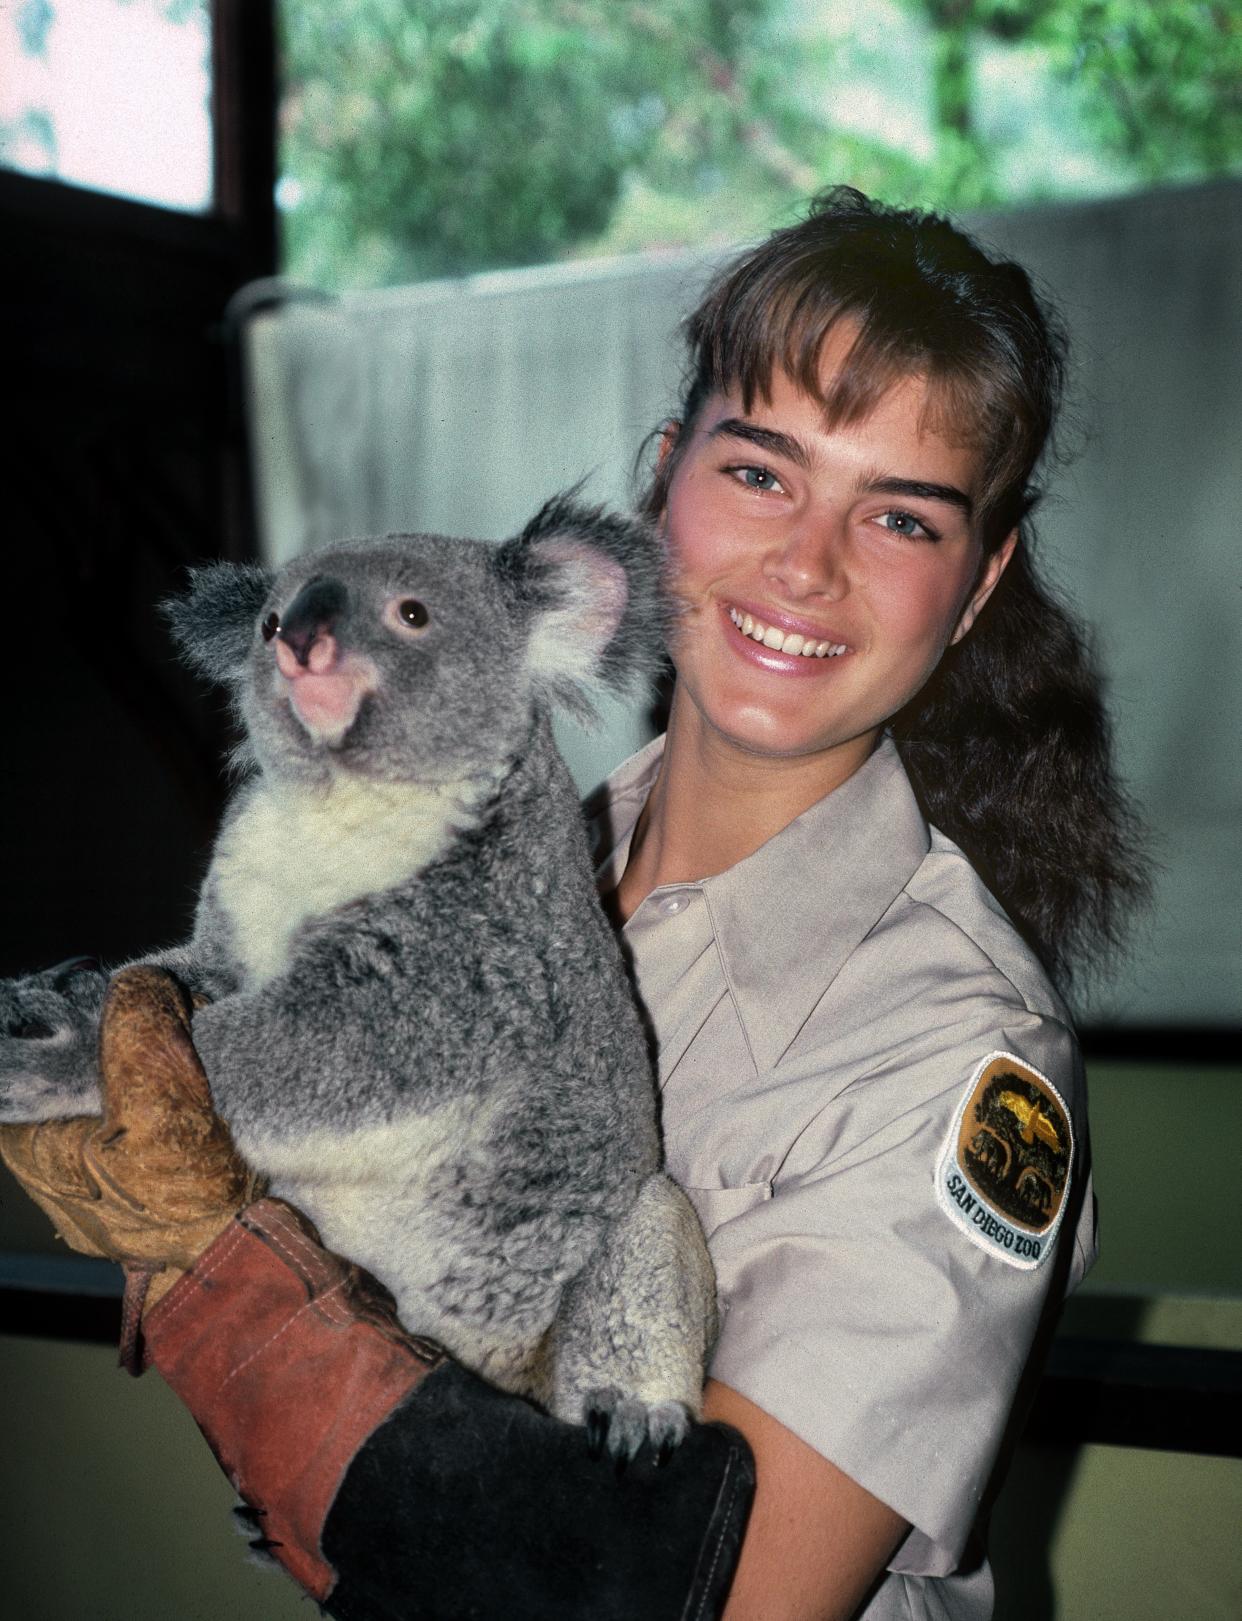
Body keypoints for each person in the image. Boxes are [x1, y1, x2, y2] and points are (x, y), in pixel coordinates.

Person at [1, 187, 1147, 1620]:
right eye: (758, 471)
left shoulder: (958, 1051)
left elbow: (724, 1598)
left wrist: (243, 1288)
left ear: (975, 588)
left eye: (899, 516)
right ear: (660, 488)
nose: (806, 562)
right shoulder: (500, 850)